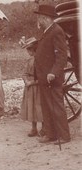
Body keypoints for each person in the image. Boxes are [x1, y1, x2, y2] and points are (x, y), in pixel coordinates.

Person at [33, 5, 70, 144]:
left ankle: (64, 136)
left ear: (46, 18)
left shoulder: (56, 31)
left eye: (40, 17)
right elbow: (45, 49)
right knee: (47, 106)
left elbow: (62, 56)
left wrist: (54, 72)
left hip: (51, 77)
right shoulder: (47, 31)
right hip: (44, 76)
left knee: (56, 106)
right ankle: (51, 134)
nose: (38, 20)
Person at [19, 37, 44, 137]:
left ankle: (44, 128)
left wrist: (32, 82)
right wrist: (26, 80)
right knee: (32, 107)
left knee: (39, 107)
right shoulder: (29, 61)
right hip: (30, 88)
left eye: (29, 50)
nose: (28, 52)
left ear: (35, 49)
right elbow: (24, 73)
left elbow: (42, 76)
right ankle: (33, 128)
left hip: (37, 87)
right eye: (27, 50)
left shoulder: (40, 60)